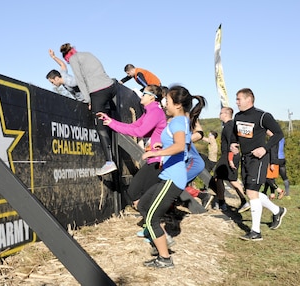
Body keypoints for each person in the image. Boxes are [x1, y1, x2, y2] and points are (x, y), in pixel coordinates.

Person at [137, 85, 206, 268]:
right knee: (144, 205)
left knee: (151, 218)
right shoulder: (181, 120)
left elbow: (179, 146)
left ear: (176, 104)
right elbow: (178, 146)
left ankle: (165, 258)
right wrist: (161, 148)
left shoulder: (177, 122)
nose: (164, 104)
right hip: (169, 175)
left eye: (166, 101)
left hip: (172, 179)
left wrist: (153, 154)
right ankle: (162, 238)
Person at [230, 88, 287, 241]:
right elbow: (236, 134)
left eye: (238, 99)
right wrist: (234, 144)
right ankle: (277, 210)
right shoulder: (238, 116)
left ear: (249, 99)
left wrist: (265, 148)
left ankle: (256, 232)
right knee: (250, 191)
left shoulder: (263, 116)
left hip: (260, 158)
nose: (236, 102)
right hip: (245, 158)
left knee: (251, 193)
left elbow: (279, 134)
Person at [96, 85, 167, 205]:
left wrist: (113, 125)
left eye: (144, 93)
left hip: (158, 160)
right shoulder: (149, 112)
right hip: (153, 159)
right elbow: (133, 127)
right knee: (135, 193)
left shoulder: (155, 112)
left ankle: (152, 219)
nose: (142, 95)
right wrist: (111, 122)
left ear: (151, 98)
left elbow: (140, 132)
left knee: (142, 194)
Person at [60, 43, 117, 176]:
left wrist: (88, 100)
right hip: (110, 87)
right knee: (107, 120)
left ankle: (110, 162)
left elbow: (80, 80)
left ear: (66, 57)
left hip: (98, 91)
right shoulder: (87, 54)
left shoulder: (73, 59)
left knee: (99, 125)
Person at [211, 107, 248, 212]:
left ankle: (225, 202)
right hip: (228, 155)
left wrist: (230, 159)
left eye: (221, 113)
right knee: (228, 179)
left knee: (224, 178)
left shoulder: (229, 126)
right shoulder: (230, 126)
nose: (219, 115)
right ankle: (227, 202)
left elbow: (233, 143)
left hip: (228, 155)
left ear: (226, 114)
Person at [262, 130, 285, 200]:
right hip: (276, 160)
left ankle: (280, 191)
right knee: (271, 178)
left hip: (273, 161)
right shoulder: (278, 138)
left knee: (267, 178)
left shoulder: (274, 140)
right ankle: (271, 194)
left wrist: (272, 163)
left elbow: (273, 151)